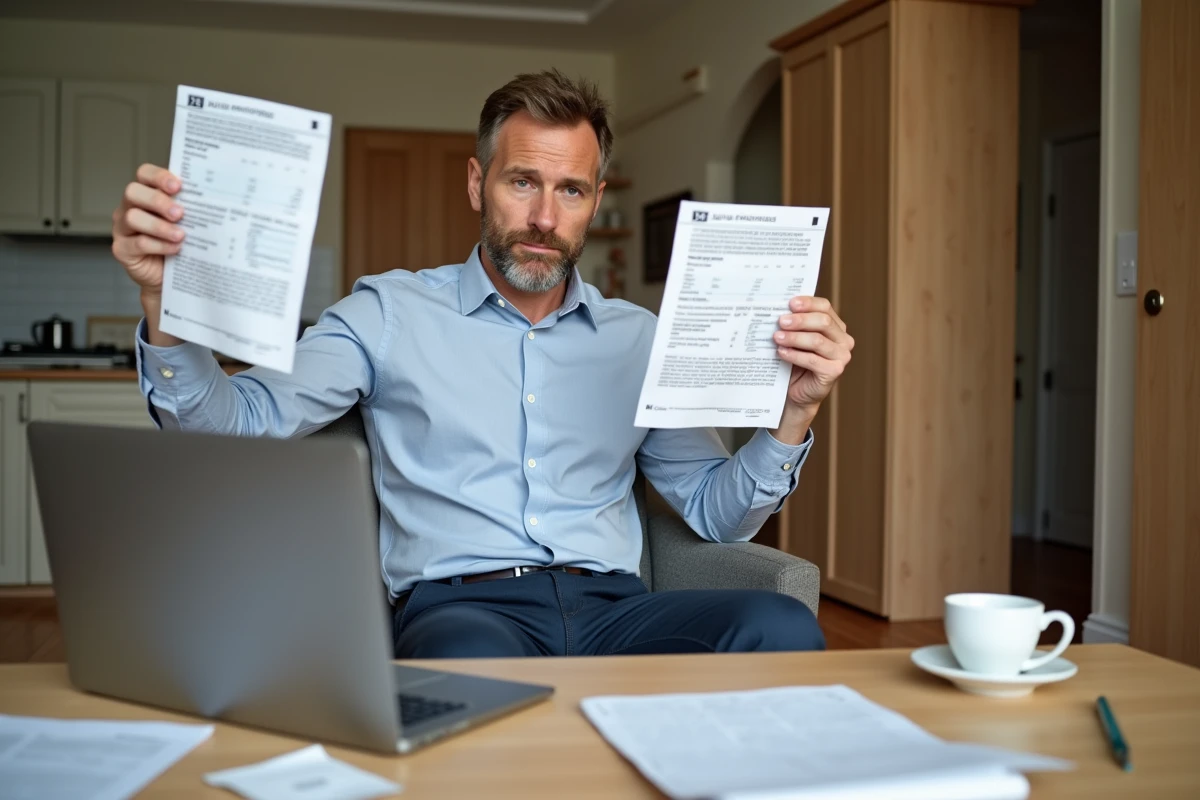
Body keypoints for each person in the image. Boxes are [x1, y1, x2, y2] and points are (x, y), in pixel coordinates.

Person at [110, 69, 853, 659]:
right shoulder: (388, 312)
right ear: (477, 183)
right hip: (464, 609)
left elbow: (717, 514)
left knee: (776, 626)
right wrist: (163, 309)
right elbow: (236, 423)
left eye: (570, 190)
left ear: (594, 201)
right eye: (522, 181)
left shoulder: (638, 338)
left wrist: (795, 415)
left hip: (614, 612)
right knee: (464, 659)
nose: (543, 218)